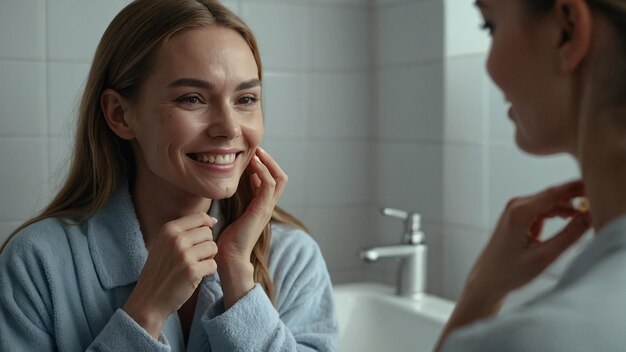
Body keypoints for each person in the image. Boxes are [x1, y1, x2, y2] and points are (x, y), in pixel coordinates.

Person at [0, 0, 338, 350]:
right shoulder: (36, 262)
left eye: (246, 99)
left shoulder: (292, 257)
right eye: (192, 99)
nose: (229, 127)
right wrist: (146, 310)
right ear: (120, 114)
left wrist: (237, 277)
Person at [435, 0, 626, 350]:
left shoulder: (532, 340)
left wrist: (480, 291)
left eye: (489, 26)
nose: (489, 66)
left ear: (566, 32)